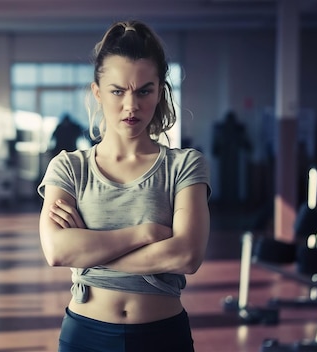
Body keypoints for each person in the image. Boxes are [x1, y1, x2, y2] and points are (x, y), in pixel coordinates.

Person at [37, 19, 211, 352]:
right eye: (118, 91)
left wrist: (88, 253)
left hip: (163, 336)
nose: (131, 106)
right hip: (85, 334)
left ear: (159, 91)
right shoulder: (69, 168)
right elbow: (58, 251)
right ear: (98, 92)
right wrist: (143, 234)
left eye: (144, 90)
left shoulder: (184, 165)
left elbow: (187, 255)